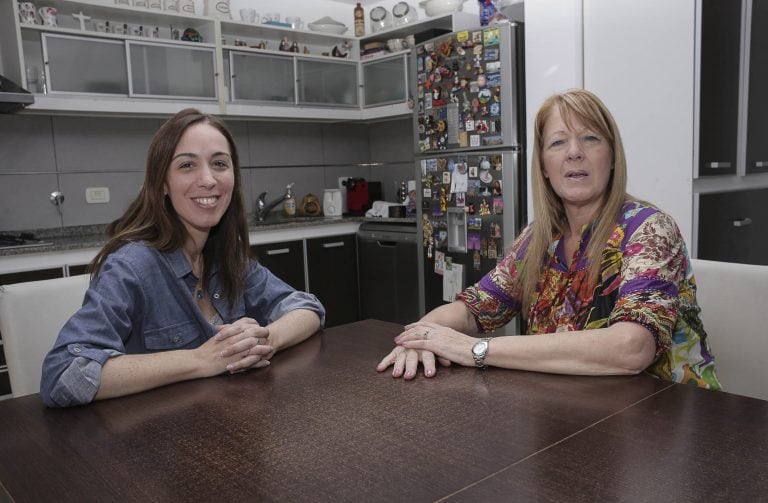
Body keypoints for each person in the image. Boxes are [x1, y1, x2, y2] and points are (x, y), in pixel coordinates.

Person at [377, 89, 719, 389]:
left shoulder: (649, 229)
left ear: (612, 156)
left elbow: (632, 348)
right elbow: (473, 310)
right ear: (542, 164)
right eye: (558, 142)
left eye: (590, 138)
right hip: (569, 416)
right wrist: (420, 336)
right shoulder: (539, 238)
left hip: (664, 421)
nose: (574, 153)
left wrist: (475, 350)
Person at [41, 108, 325, 407]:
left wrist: (263, 340)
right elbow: (64, 375)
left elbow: (307, 308)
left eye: (219, 163)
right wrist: (201, 360)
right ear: (162, 183)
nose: (208, 179)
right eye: (187, 165)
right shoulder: (131, 266)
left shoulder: (227, 256)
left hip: (223, 430)